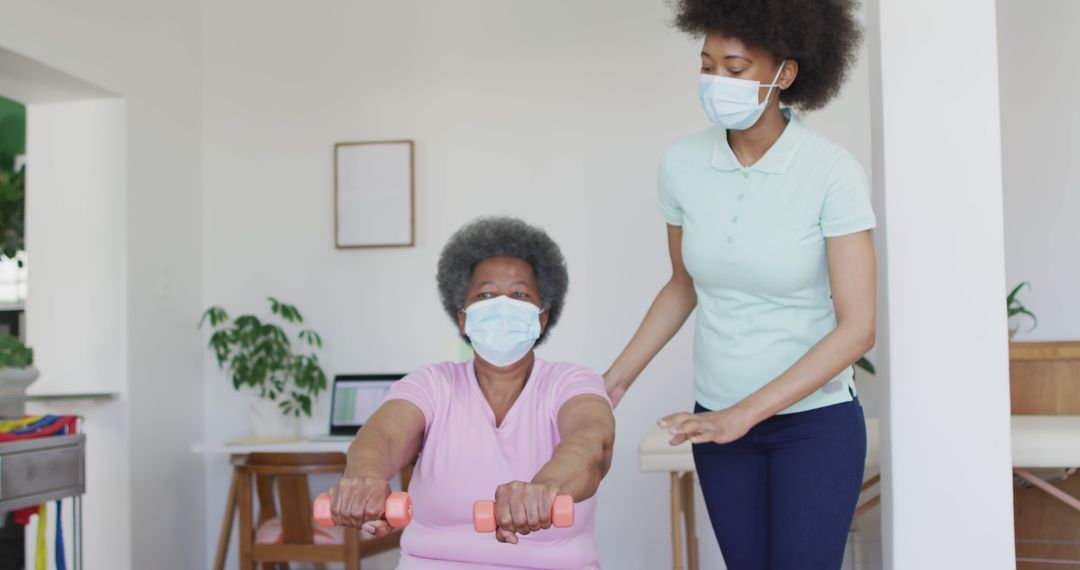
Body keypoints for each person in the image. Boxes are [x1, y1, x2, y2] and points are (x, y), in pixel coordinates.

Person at [603, 1, 875, 568]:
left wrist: (745, 413)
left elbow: (858, 329)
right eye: (706, 65)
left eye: (734, 68)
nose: (714, 82)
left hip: (814, 425)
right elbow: (682, 285)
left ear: (785, 75)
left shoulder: (830, 171)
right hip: (717, 423)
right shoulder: (681, 164)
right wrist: (613, 382)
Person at [329, 217, 615, 570]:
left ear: (542, 319)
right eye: (486, 294)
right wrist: (364, 477)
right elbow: (383, 434)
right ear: (463, 318)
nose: (503, 305)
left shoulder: (570, 381)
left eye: (520, 294)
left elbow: (592, 441)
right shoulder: (432, 383)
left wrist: (546, 487)